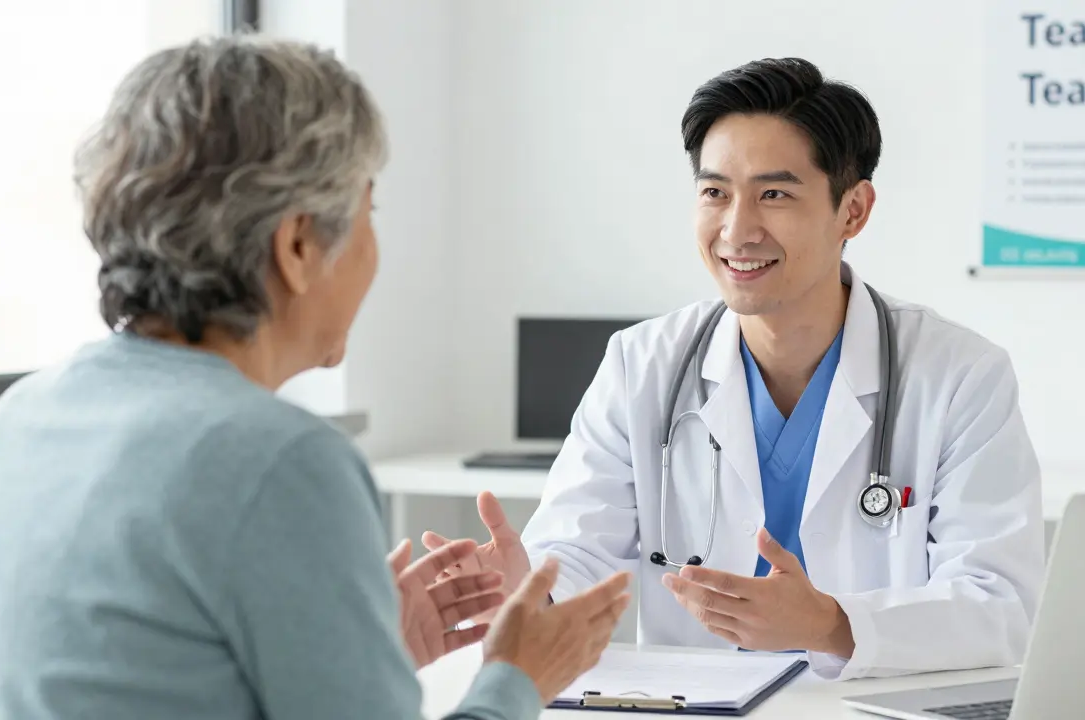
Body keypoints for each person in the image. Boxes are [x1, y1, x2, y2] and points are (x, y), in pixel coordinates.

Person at [0, 36, 630, 720]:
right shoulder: (280, 461)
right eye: (367, 214)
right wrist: (520, 677)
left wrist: (354, 652)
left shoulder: (20, 417)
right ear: (297, 246)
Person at [422, 57, 1047, 681]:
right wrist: (526, 590)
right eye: (715, 192)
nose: (737, 229)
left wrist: (831, 624)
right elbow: (576, 550)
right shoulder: (642, 366)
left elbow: (1000, 605)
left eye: (774, 194)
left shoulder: (960, 377)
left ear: (853, 210)